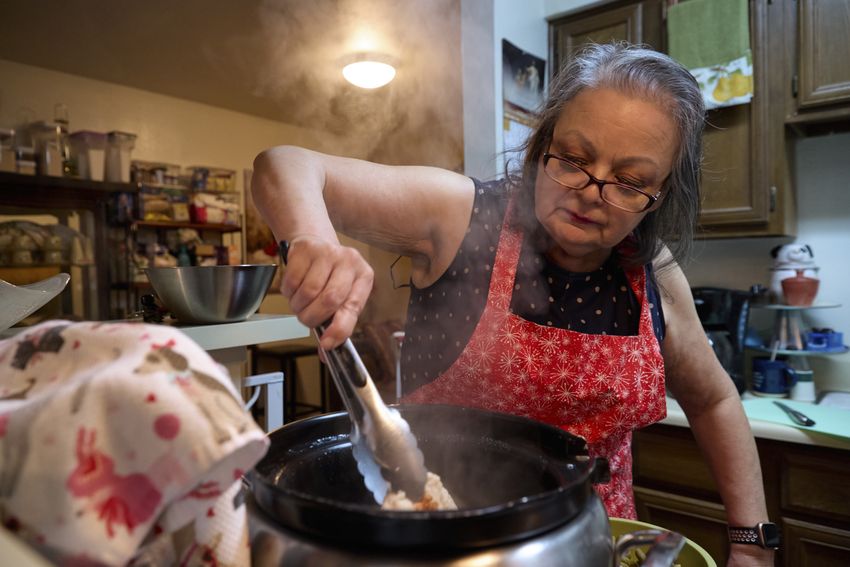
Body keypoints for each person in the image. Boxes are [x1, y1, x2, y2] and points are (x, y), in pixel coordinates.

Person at [251, 42, 774, 566]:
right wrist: (313, 242)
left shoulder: (651, 273)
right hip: (440, 541)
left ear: (661, 195)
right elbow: (285, 165)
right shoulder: (462, 218)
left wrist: (751, 543)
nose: (592, 191)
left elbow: (714, 401)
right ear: (543, 143)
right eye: (573, 159)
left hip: (589, 545)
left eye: (631, 182)